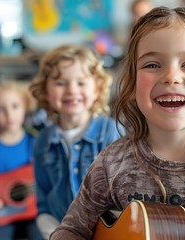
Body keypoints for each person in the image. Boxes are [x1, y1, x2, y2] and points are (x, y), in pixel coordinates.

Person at [50, 7, 185, 240]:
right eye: (152, 65)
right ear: (131, 84)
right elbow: (71, 230)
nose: (171, 76)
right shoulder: (111, 163)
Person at [29, 44, 123, 239]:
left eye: (81, 83)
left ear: (96, 90)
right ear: (46, 91)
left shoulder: (112, 132)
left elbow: (125, 195)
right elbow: (44, 202)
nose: (72, 90)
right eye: (61, 83)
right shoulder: (41, 142)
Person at [0, 80, 42, 240]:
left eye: (15, 106)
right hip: (0, 213)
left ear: (25, 107)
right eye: (0, 109)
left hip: (31, 209)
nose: (9, 114)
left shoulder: (34, 141)